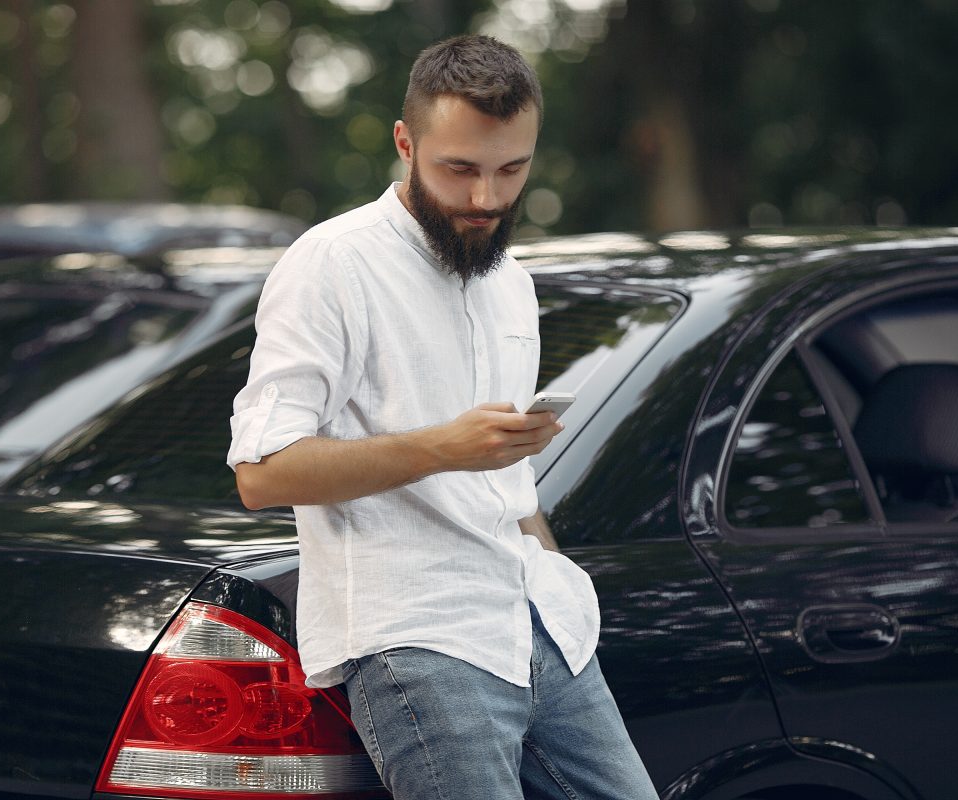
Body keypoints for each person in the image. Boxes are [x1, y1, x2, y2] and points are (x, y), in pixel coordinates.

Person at [227, 34, 658, 800]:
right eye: (459, 169)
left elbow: (508, 484)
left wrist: (549, 564)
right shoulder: (333, 264)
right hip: (418, 639)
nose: (487, 199)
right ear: (405, 142)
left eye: (510, 170)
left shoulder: (511, 281)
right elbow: (262, 474)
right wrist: (441, 448)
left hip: (540, 621)